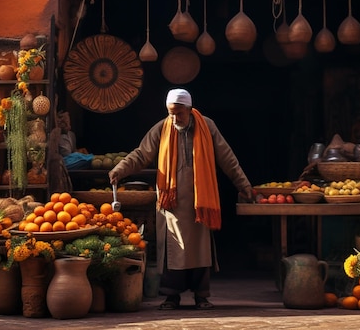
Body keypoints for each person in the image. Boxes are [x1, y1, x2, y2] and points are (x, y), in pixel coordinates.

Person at [108, 88, 254, 310]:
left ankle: (201, 295)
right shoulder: (162, 128)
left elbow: (228, 158)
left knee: (200, 250)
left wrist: (243, 185)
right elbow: (141, 154)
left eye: (179, 113)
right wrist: (120, 169)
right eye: (170, 113)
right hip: (171, 203)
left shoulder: (207, 126)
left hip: (200, 202)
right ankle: (171, 296)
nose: (175, 118)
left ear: (189, 109)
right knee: (173, 250)